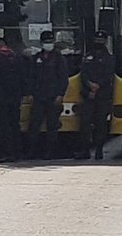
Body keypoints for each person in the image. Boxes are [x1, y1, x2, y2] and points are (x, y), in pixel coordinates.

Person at [26, 30, 70, 160]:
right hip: (39, 97)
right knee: (34, 125)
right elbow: (31, 77)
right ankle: (31, 151)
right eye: (46, 42)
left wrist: (60, 94)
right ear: (41, 43)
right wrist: (30, 93)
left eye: (50, 41)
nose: (48, 44)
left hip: (53, 97)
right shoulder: (37, 58)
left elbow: (63, 79)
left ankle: (50, 152)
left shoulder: (59, 59)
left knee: (52, 126)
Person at [78, 30, 115, 161]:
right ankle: (85, 150)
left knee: (100, 124)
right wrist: (89, 85)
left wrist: (96, 86)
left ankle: (99, 150)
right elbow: (83, 73)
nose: (98, 42)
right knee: (85, 123)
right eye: (97, 40)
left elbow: (108, 75)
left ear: (105, 41)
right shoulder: (88, 56)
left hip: (102, 96)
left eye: (101, 40)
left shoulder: (109, 58)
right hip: (88, 95)